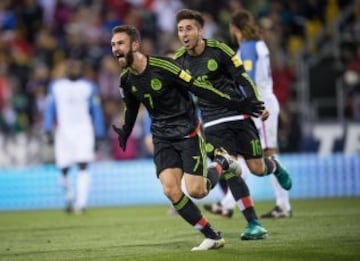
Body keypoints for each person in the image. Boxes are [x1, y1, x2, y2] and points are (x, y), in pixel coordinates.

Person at [110, 25, 264, 251]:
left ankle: (223, 162)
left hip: (188, 133)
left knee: (197, 191)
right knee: (171, 190)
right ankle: (212, 236)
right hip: (162, 137)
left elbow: (199, 88)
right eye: (113, 45)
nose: (115, 49)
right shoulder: (126, 80)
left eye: (120, 43)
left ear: (135, 45)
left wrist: (238, 103)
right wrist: (126, 130)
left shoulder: (165, 66)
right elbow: (131, 108)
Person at [174, 9, 292, 239]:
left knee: (257, 169)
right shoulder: (178, 61)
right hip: (212, 123)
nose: (184, 34)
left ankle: (275, 167)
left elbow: (243, 78)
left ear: (201, 30)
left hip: (239, 116)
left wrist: (257, 104)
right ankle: (254, 224)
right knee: (231, 171)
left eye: (189, 28)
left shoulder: (220, 50)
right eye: (180, 29)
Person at [204, 10, 293, 219]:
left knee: (266, 155)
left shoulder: (248, 48)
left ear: (235, 28)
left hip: (258, 106)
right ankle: (228, 204)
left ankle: (283, 204)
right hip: (258, 103)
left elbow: (248, 78)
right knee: (244, 157)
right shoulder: (257, 45)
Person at [43, 57, 106, 214]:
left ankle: (81, 203)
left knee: (83, 165)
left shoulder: (89, 86)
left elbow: (96, 110)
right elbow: (50, 109)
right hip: (63, 132)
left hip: (83, 131)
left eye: (76, 67)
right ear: (65, 69)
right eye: (70, 67)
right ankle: (69, 197)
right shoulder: (56, 87)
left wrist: (99, 134)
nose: (73, 69)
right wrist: (47, 129)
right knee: (63, 168)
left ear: (80, 69)